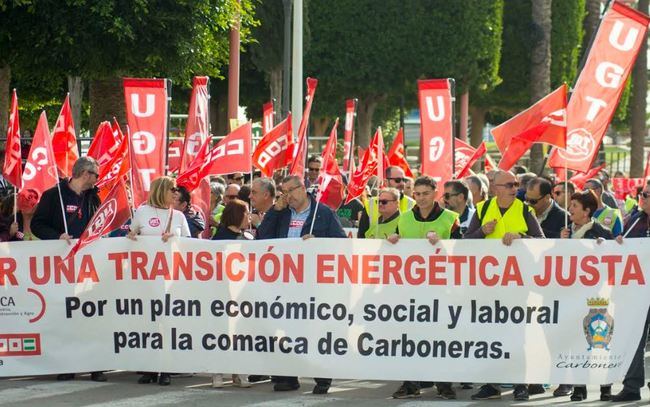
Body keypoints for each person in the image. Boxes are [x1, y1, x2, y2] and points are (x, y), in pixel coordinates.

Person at [256, 175, 345, 394]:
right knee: (284, 329)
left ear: (303, 189)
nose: (288, 196)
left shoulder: (323, 213)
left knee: (314, 330)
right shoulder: (281, 214)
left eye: (291, 191)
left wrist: (319, 244)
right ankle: (287, 376)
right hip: (285, 282)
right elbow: (261, 239)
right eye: (283, 192)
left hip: (313, 283)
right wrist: (274, 212)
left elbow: (342, 244)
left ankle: (322, 377)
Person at [464, 170, 544, 401]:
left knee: (518, 336)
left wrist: (522, 237)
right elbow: (466, 243)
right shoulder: (482, 209)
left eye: (516, 184)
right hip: (488, 285)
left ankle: (520, 384)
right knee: (490, 335)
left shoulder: (525, 210)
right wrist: (482, 232)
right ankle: (492, 384)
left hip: (517, 285)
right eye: (509, 184)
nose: (514, 188)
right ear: (496, 187)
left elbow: (541, 243)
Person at [30, 157, 105, 382]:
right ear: (85, 173)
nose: (97, 180)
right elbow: (37, 224)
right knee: (66, 315)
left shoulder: (94, 197)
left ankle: (95, 365)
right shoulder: (54, 196)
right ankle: (67, 364)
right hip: (62, 266)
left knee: (91, 314)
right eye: (96, 175)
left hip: (89, 266)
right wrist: (56, 237)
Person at [387, 176, 460, 400]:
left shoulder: (450, 219)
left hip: (441, 290)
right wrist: (393, 241)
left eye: (425, 193)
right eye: (417, 194)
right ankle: (410, 384)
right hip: (411, 291)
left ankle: (444, 384)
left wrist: (443, 244)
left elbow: (464, 251)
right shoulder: (405, 219)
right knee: (409, 338)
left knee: (439, 338)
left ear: (435, 193)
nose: (420, 198)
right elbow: (396, 250)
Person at [128, 176, 190, 386]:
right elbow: (130, 235)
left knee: (168, 323)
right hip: (146, 278)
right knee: (149, 323)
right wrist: (131, 237)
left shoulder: (179, 216)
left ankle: (167, 369)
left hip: (171, 278)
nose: (176, 193)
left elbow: (191, 245)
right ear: (161, 190)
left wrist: (175, 238)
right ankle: (149, 368)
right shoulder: (142, 212)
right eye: (172, 189)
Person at [558, 190, 614, 402]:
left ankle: (605, 387)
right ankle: (579, 387)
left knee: (599, 341)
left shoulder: (601, 232)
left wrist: (606, 246)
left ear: (587, 211)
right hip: (572, 295)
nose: (569, 209)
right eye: (570, 205)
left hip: (597, 297)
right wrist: (560, 242)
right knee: (575, 342)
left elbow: (616, 257)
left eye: (574, 206)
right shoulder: (564, 231)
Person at [610, 181, 650, 402]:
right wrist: (616, 243)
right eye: (641, 194)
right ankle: (632, 386)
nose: (641, 198)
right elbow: (620, 243)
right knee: (635, 338)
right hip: (637, 290)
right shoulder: (635, 220)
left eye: (646, 194)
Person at [211, 198, 253, 388]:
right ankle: (217, 374)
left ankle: (239, 373)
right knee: (221, 334)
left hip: (241, 295)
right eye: (246, 213)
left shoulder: (249, 239)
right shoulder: (218, 239)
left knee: (240, 334)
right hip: (221, 294)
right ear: (238, 215)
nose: (249, 217)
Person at [357, 166, 416, 238]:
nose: (402, 183)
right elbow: (362, 235)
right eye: (397, 180)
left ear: (396, 203)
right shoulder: (371, 203)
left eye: (404, 180)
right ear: (386, 182)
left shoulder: (413, 204)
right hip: (373, 247)